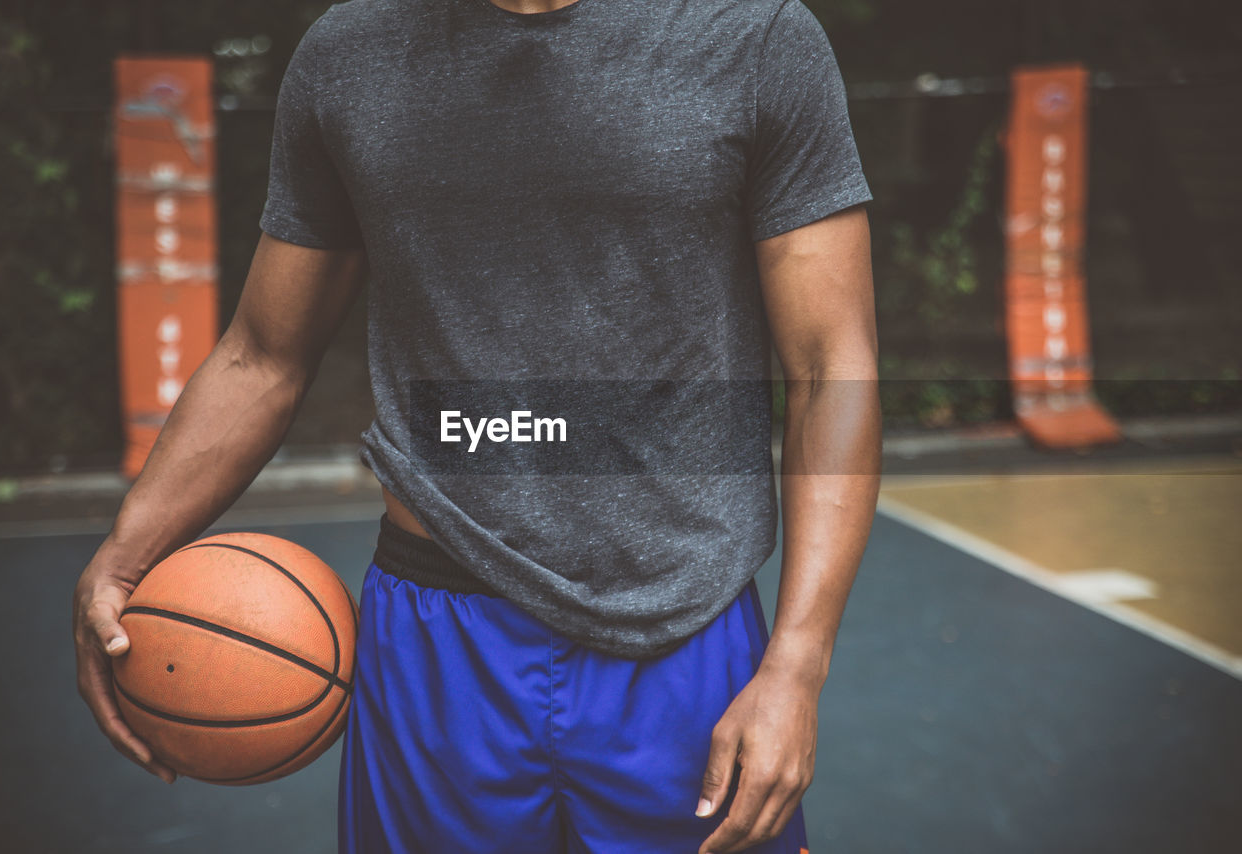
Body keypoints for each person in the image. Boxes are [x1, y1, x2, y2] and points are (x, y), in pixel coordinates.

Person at [72, 0, 881, 851]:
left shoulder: (752, 37)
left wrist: (797, 662)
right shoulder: (349, 55)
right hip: (434, 640)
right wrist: (123, 557)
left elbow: (834, 369)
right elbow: (263, 355)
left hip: (681, 632)